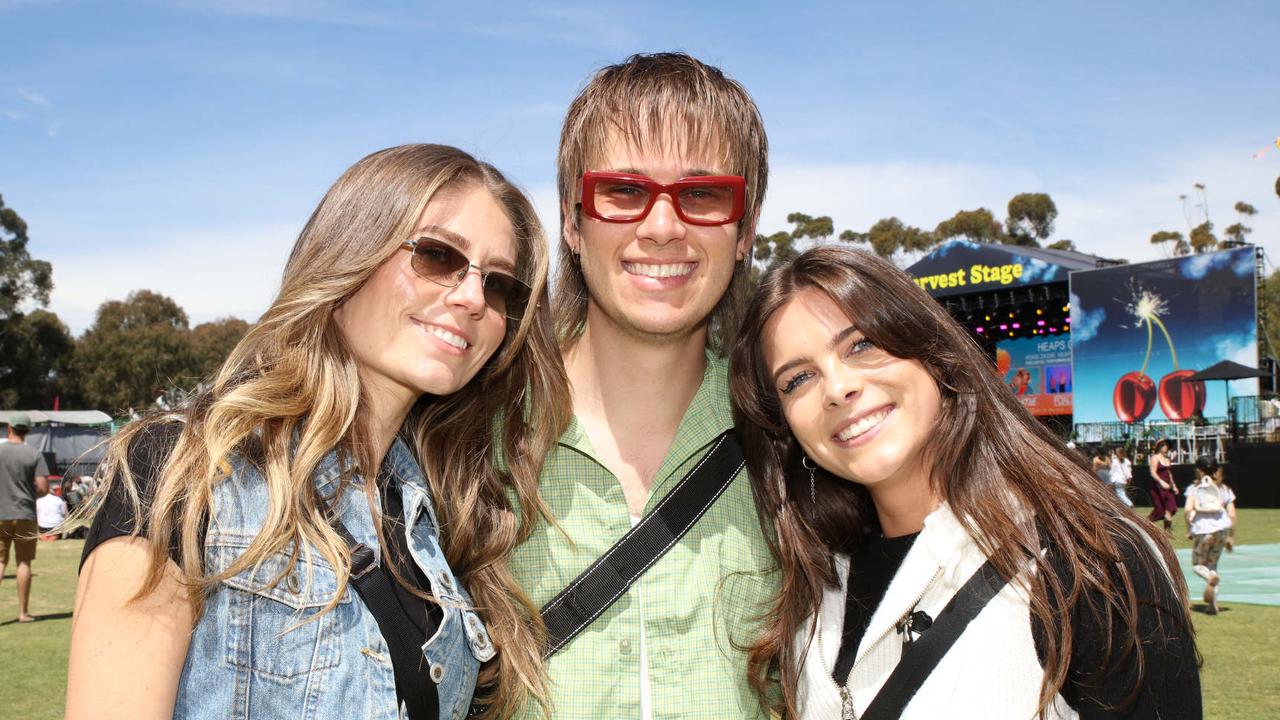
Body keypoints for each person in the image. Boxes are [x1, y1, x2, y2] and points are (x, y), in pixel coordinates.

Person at [67, 144, 571, 720]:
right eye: (437, 255)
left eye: (499, 283)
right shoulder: (187, 467)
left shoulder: (432, 513)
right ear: (350, 254)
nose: (473, 297)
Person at [729, 246, 1200, 719]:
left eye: (862, 344)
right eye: (798, 379)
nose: (837, 388)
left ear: (931, 351)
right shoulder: (813, 586)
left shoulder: (1092, 562)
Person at [507, 52, 776, 719]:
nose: (662, 227)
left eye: (703, 194)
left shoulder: (794, 448)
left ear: (744, 231)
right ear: (573, 223)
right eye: (624, 192)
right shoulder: (470, 442)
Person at [0, 412, 51, 623]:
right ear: (28, 431)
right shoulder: (34, 454)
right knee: (24, 562)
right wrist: (30, 492)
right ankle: (23, 613)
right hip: (25, 514)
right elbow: (44, 488)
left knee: (0, 561)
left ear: (9, 428)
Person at [1184, 455, 1237, 615]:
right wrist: (1231, 536)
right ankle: (1213, 605)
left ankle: (1209, 578)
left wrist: (1189, 529)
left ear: (1199, 470)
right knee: (1213, 565)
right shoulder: (1224, 489)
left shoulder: (1194, 489)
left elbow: (1187, 510)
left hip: (1203, 530)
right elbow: (1232, 514)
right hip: (1222, 530)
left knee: (1198, 566)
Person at [1148, 439, 1179, 532]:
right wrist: (1161, 482)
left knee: (1170, 509)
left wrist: (1174, 486)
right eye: (1163, 445)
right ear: (1159, 447)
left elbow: (1169, 474)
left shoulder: (1167, 459)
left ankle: (1167, 532)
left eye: (1167, 445)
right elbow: (1153, 473)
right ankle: (1146, 523)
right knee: (1159, 511)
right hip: (1158, 488)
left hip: (1168, 488)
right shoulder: (1155, 458)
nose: (1165, 447)